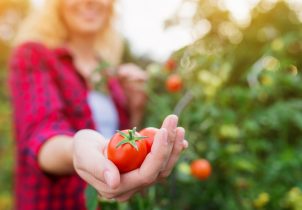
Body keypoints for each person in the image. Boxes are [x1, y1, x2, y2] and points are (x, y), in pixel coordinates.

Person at [8, 0, 188, 209]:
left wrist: (136, 108)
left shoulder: (110, 75)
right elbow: (40, 134)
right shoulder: (34, 55)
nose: (89, 1)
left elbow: (122, 145)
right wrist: (76, 148)